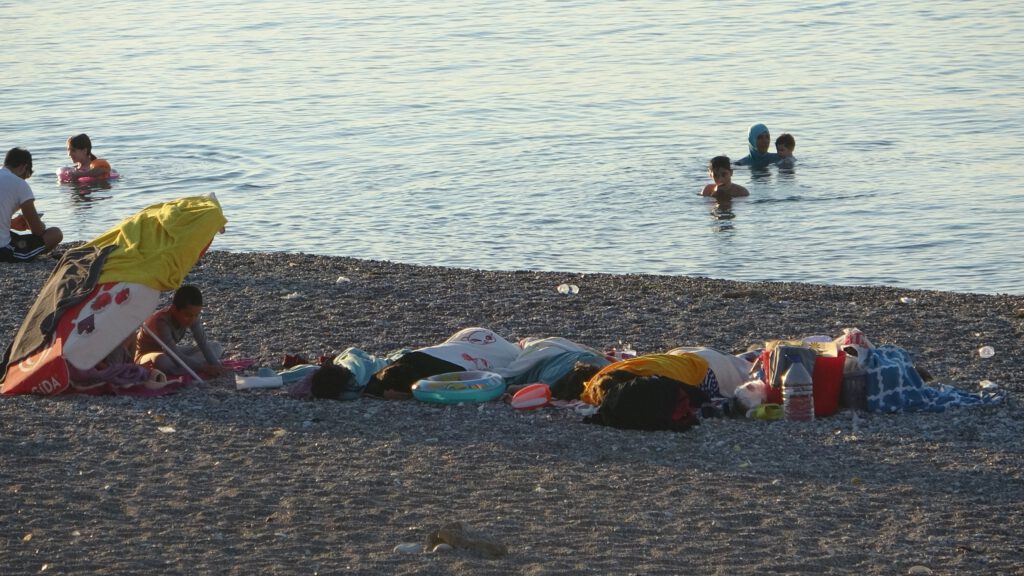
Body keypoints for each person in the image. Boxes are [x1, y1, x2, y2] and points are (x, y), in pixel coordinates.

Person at [135, 285, 231, 378]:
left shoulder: (192, 317)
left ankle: (185, 367)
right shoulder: (162, 321)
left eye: (196, 315)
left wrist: (217, 366)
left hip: (172, 353)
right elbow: (173, 353)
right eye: (188, 315)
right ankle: (192, 367)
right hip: (148, 355)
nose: (192, 320)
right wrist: (204, 368)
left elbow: (203, 343)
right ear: (174, 309)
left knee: (216, 347)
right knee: (163, 362)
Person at [1, 147, 63, 263]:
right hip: (3, 251)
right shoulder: (20, 184)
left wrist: (11, 224)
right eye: (25, 177)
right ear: (23, 168)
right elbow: (37, 231)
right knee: (55, 233)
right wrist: (41, 225)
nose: (24, 180)